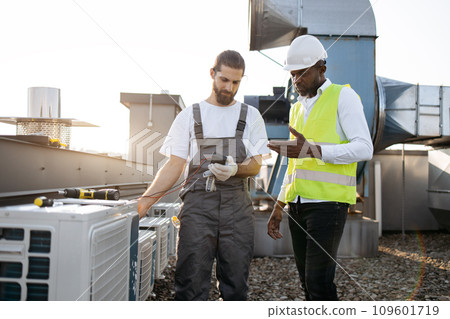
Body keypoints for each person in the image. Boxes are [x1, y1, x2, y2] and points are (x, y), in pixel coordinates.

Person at [137, 50, 270, 301]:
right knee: (190, 284)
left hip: (237, 210)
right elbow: (173, 165)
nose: (229, 87)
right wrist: (144, 203)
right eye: (224, 80)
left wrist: (235, 169)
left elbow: (255, 165)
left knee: (236, 287)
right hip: (198, 208)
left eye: (236, 82)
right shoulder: (189, 115)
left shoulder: (251, 116)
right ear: (212, 73)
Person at [267, 35, 373, 301]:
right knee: (306, 280)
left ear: (321, 69)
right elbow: (293, 166)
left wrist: (313, 149)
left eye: (301, 74)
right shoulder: (296, 110)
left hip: (329, 205)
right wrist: (279, 207)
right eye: (292, 75)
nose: (296, 80)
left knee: (319, 282)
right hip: (297, 206)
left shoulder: (343, 96)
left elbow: (364, 148)